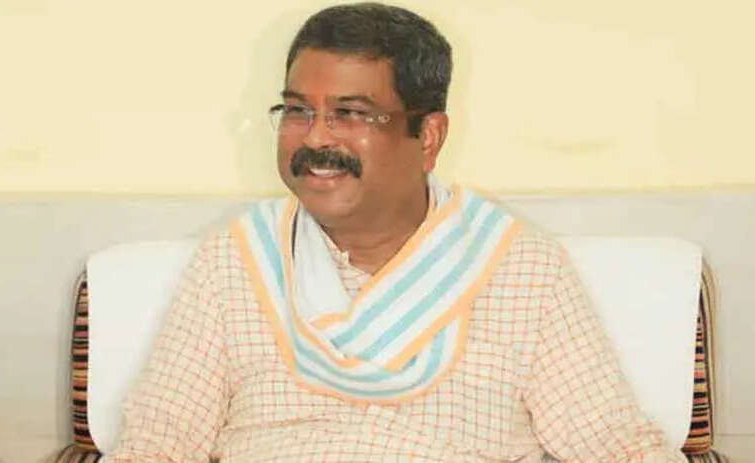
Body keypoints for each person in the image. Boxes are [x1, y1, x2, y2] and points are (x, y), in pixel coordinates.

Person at [103, 3, 686, 462]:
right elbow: (159, 440)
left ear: (428, 137)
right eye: (299, 111)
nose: (316, 138)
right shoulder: (236, 259)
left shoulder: (521, 269)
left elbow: (613, 444)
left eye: (352, 114)